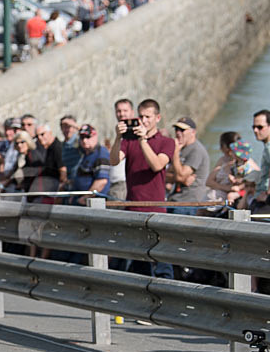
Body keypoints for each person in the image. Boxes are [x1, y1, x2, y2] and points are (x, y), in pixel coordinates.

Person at [109, 98, 175, 280]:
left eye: (148, 117)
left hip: (156, 209)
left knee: (162, 262)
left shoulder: (167, 142)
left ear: (157, 118)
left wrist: (143, 141)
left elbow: (156, 165)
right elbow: (114, 160)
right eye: (141, 116)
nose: (144, 121)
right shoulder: (129, 141)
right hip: (133, 209)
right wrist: (118, 137)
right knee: (138, 264)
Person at [165, 117, 209, 215]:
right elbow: (166, 175)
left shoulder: (196, 150)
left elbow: (180, 176)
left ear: (193, 132)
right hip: (174, 199)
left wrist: (175, 152)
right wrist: (178, 177)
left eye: (182, 130)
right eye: (176, 129)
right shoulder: (181, 148)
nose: (178, 133)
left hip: (189, 203)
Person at [71, 124, 110, 206]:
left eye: (88, 137)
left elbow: (101, 181)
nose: (84, 140)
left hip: (93, 202)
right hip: (80, 200)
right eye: (82, 138)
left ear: (95, 137)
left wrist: (86, 197)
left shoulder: (101, 154)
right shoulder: (85, 153)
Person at [251, 109, 270, 212]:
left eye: (260, 127)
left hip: (264, 202)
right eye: (253, 127)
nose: (255, 130)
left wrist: (267, 196)